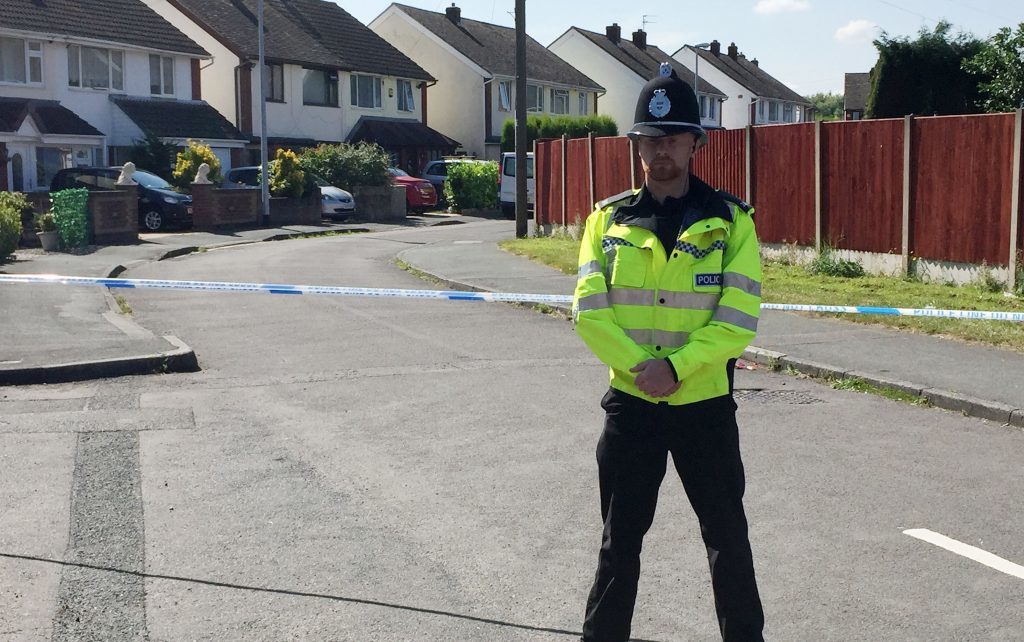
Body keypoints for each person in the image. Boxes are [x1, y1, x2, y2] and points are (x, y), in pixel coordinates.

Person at [572, 62, 765, 642]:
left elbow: (738, 320)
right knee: (618, 543)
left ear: (694, 144)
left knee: (728, 540)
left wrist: (676, 368)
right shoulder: (606, 220)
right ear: (638, 147)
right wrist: (643, 370)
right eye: (650, 141)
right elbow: (589, 309)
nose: (661, 152)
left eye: (673, 140)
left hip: (704, 407)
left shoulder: (732, 221)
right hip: (632, 408)